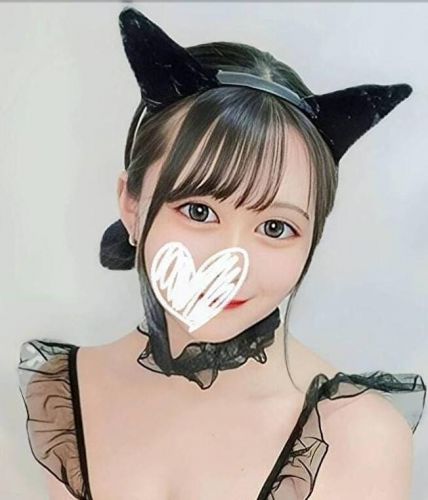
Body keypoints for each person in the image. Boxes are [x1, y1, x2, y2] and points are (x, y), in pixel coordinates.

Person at [17, 7, 426, 500]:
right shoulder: (63, 392)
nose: (230, 263)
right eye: (198, 211)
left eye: (275, 227)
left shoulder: (358, 437)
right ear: (131, 204)